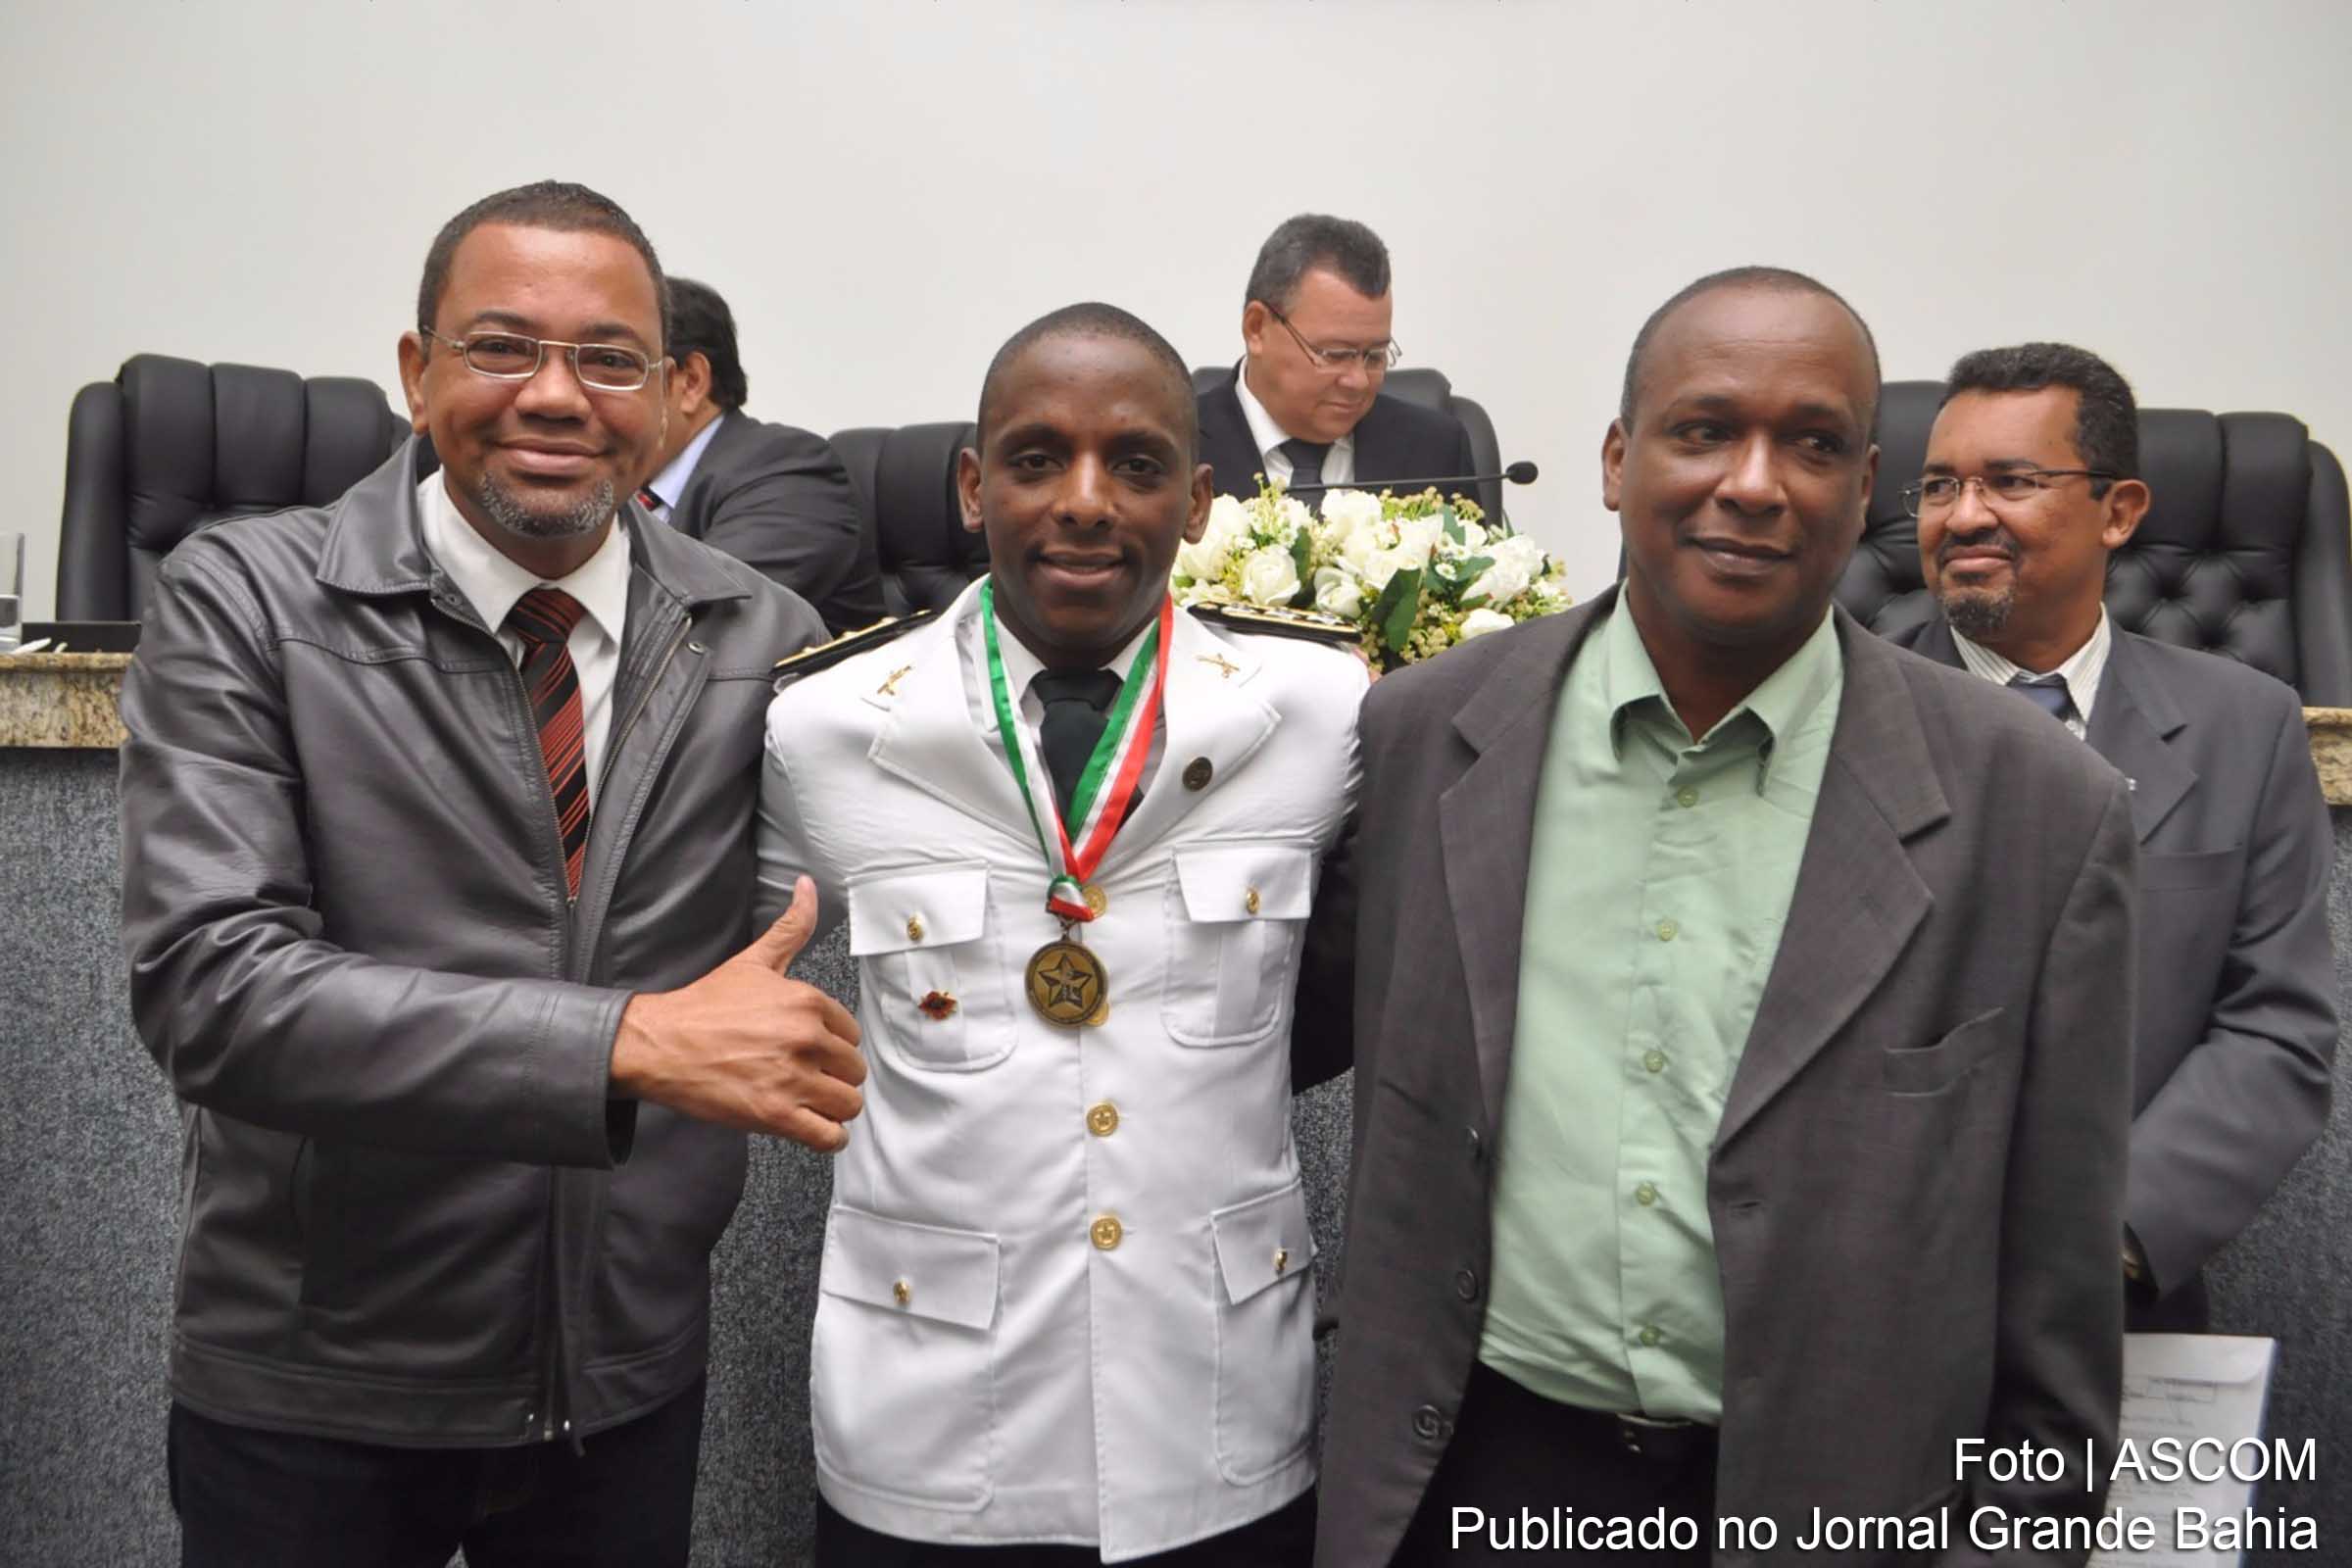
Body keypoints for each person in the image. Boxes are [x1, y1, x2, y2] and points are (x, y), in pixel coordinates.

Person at [1313, 268, 2138, 1565]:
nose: (1754, 483)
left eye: (1812, 445)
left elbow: (2058, 1342)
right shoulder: (1431, 736)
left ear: (1865, 488)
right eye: (1703, 430)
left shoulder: (2037, 812)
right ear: (1615, 459)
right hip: (1473, 1481)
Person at [119, 180, 865, 1568]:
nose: (555, 395)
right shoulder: (249, 603)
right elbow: (213, 992)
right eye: (501, 347)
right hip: (315, 1386)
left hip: (622, 1380)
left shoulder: (761, 633)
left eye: (607, 359)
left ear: (669, 394)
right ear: (416, 373)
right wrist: (627, 1042)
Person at [758, 302, 1364, 1565]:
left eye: (1137, 465)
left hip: (1218, 1409)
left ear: (1199, 501)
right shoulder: (818, 729)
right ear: (975, 486)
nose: (1086, 501)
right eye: (1037, 460)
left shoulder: (1322, 710)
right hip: (929, 1416)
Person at [1893, 341, 2335, 1331]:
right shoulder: (1832, 716)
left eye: (2010, 481)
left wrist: (2112, 1243)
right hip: (1864, 1294)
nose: (1963, 515)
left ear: (2120, 510)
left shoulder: (2247, 727)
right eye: (1938, 486)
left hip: (2118, 1303)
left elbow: (2275, 1026)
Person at [637, 275, 885, 633]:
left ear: (690, 381)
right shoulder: (623, 487)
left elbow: (703, 613)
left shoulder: (791, 470)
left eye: (616, 365)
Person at [1197, 214, 1477, 508]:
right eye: (1335, 355)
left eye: (1375, 356)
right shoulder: (1174, 451)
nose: (1358, 381)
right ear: (1256, 329)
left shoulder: (1435, 450)